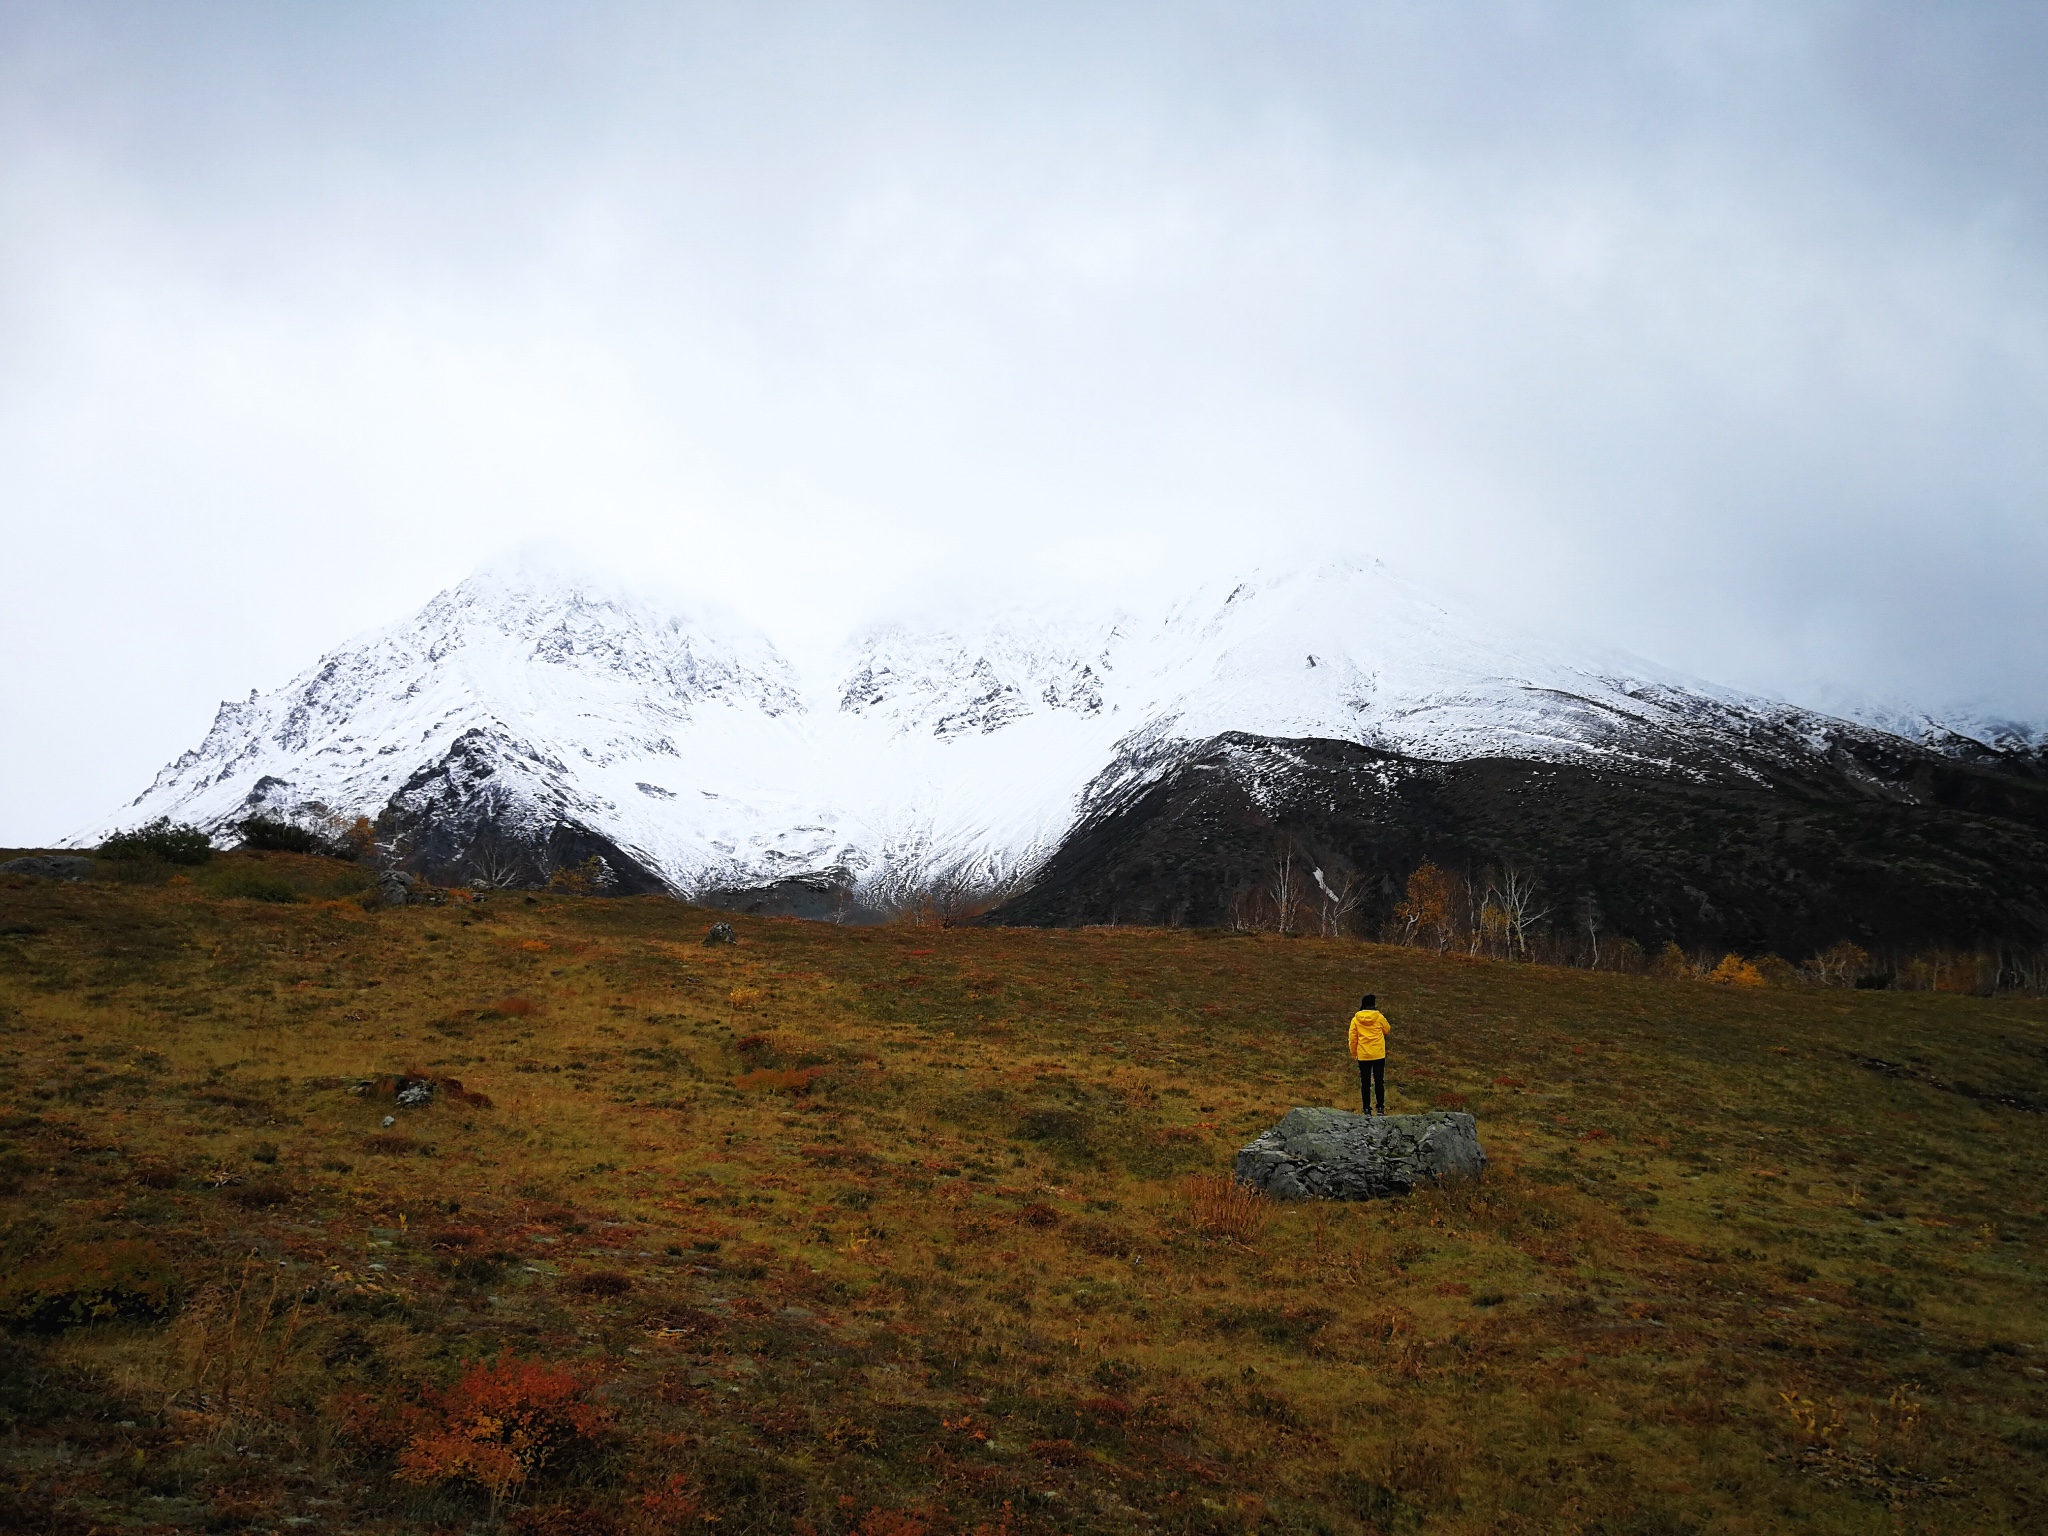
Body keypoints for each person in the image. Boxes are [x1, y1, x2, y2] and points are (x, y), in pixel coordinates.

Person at [1348, 993, 1390, 1115]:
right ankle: (1380, 1107)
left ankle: (1366, 1108)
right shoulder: (1379, 1017)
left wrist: (1354, 1053)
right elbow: (1387, 1029)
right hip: (1378, 1054)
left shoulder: (1356, 1020)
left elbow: (1352, 1038)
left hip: (1363, 1055)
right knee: (1379, 1081)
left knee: (1365, 1082)